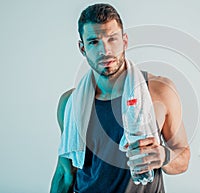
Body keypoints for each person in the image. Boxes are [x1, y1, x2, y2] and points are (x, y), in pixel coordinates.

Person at [50, 3, 190, 193]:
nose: (105, 50)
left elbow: (183, 157)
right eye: (94, 42)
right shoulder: (70, 103)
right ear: (82, 48)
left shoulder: (160, 91)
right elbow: (65, 173)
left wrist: (163, 156)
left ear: (124, 41)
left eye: (112, 39)